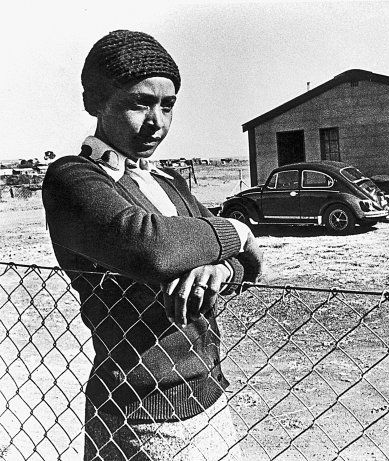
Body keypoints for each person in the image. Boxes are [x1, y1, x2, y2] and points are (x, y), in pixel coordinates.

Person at [42, 29, 263, 460]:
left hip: (209, 393)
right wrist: (238, 232)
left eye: (168, 106)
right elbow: (151, 249)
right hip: (140, 411)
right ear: (95, 103)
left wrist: (219, 269)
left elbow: (245, 267)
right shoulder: (74, 179)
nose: (156, 122)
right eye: (138, 103)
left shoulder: (168, 181)